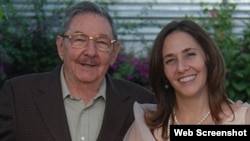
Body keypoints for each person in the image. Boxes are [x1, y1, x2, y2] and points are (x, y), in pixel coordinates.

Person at [0, 1, 155, 141]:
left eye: (102, 42)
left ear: (114, 52)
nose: (90, 52)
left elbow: (178, 131)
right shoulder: (17, 97)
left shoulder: (142, 103)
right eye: (79, 40)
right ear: (61, 46)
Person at [123, 19, 250, 141]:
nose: (181, 68)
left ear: (208, 57)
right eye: (170, 60)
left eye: (190, 54)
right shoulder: (147, 129)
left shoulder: (243, 120)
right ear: (162, 71)